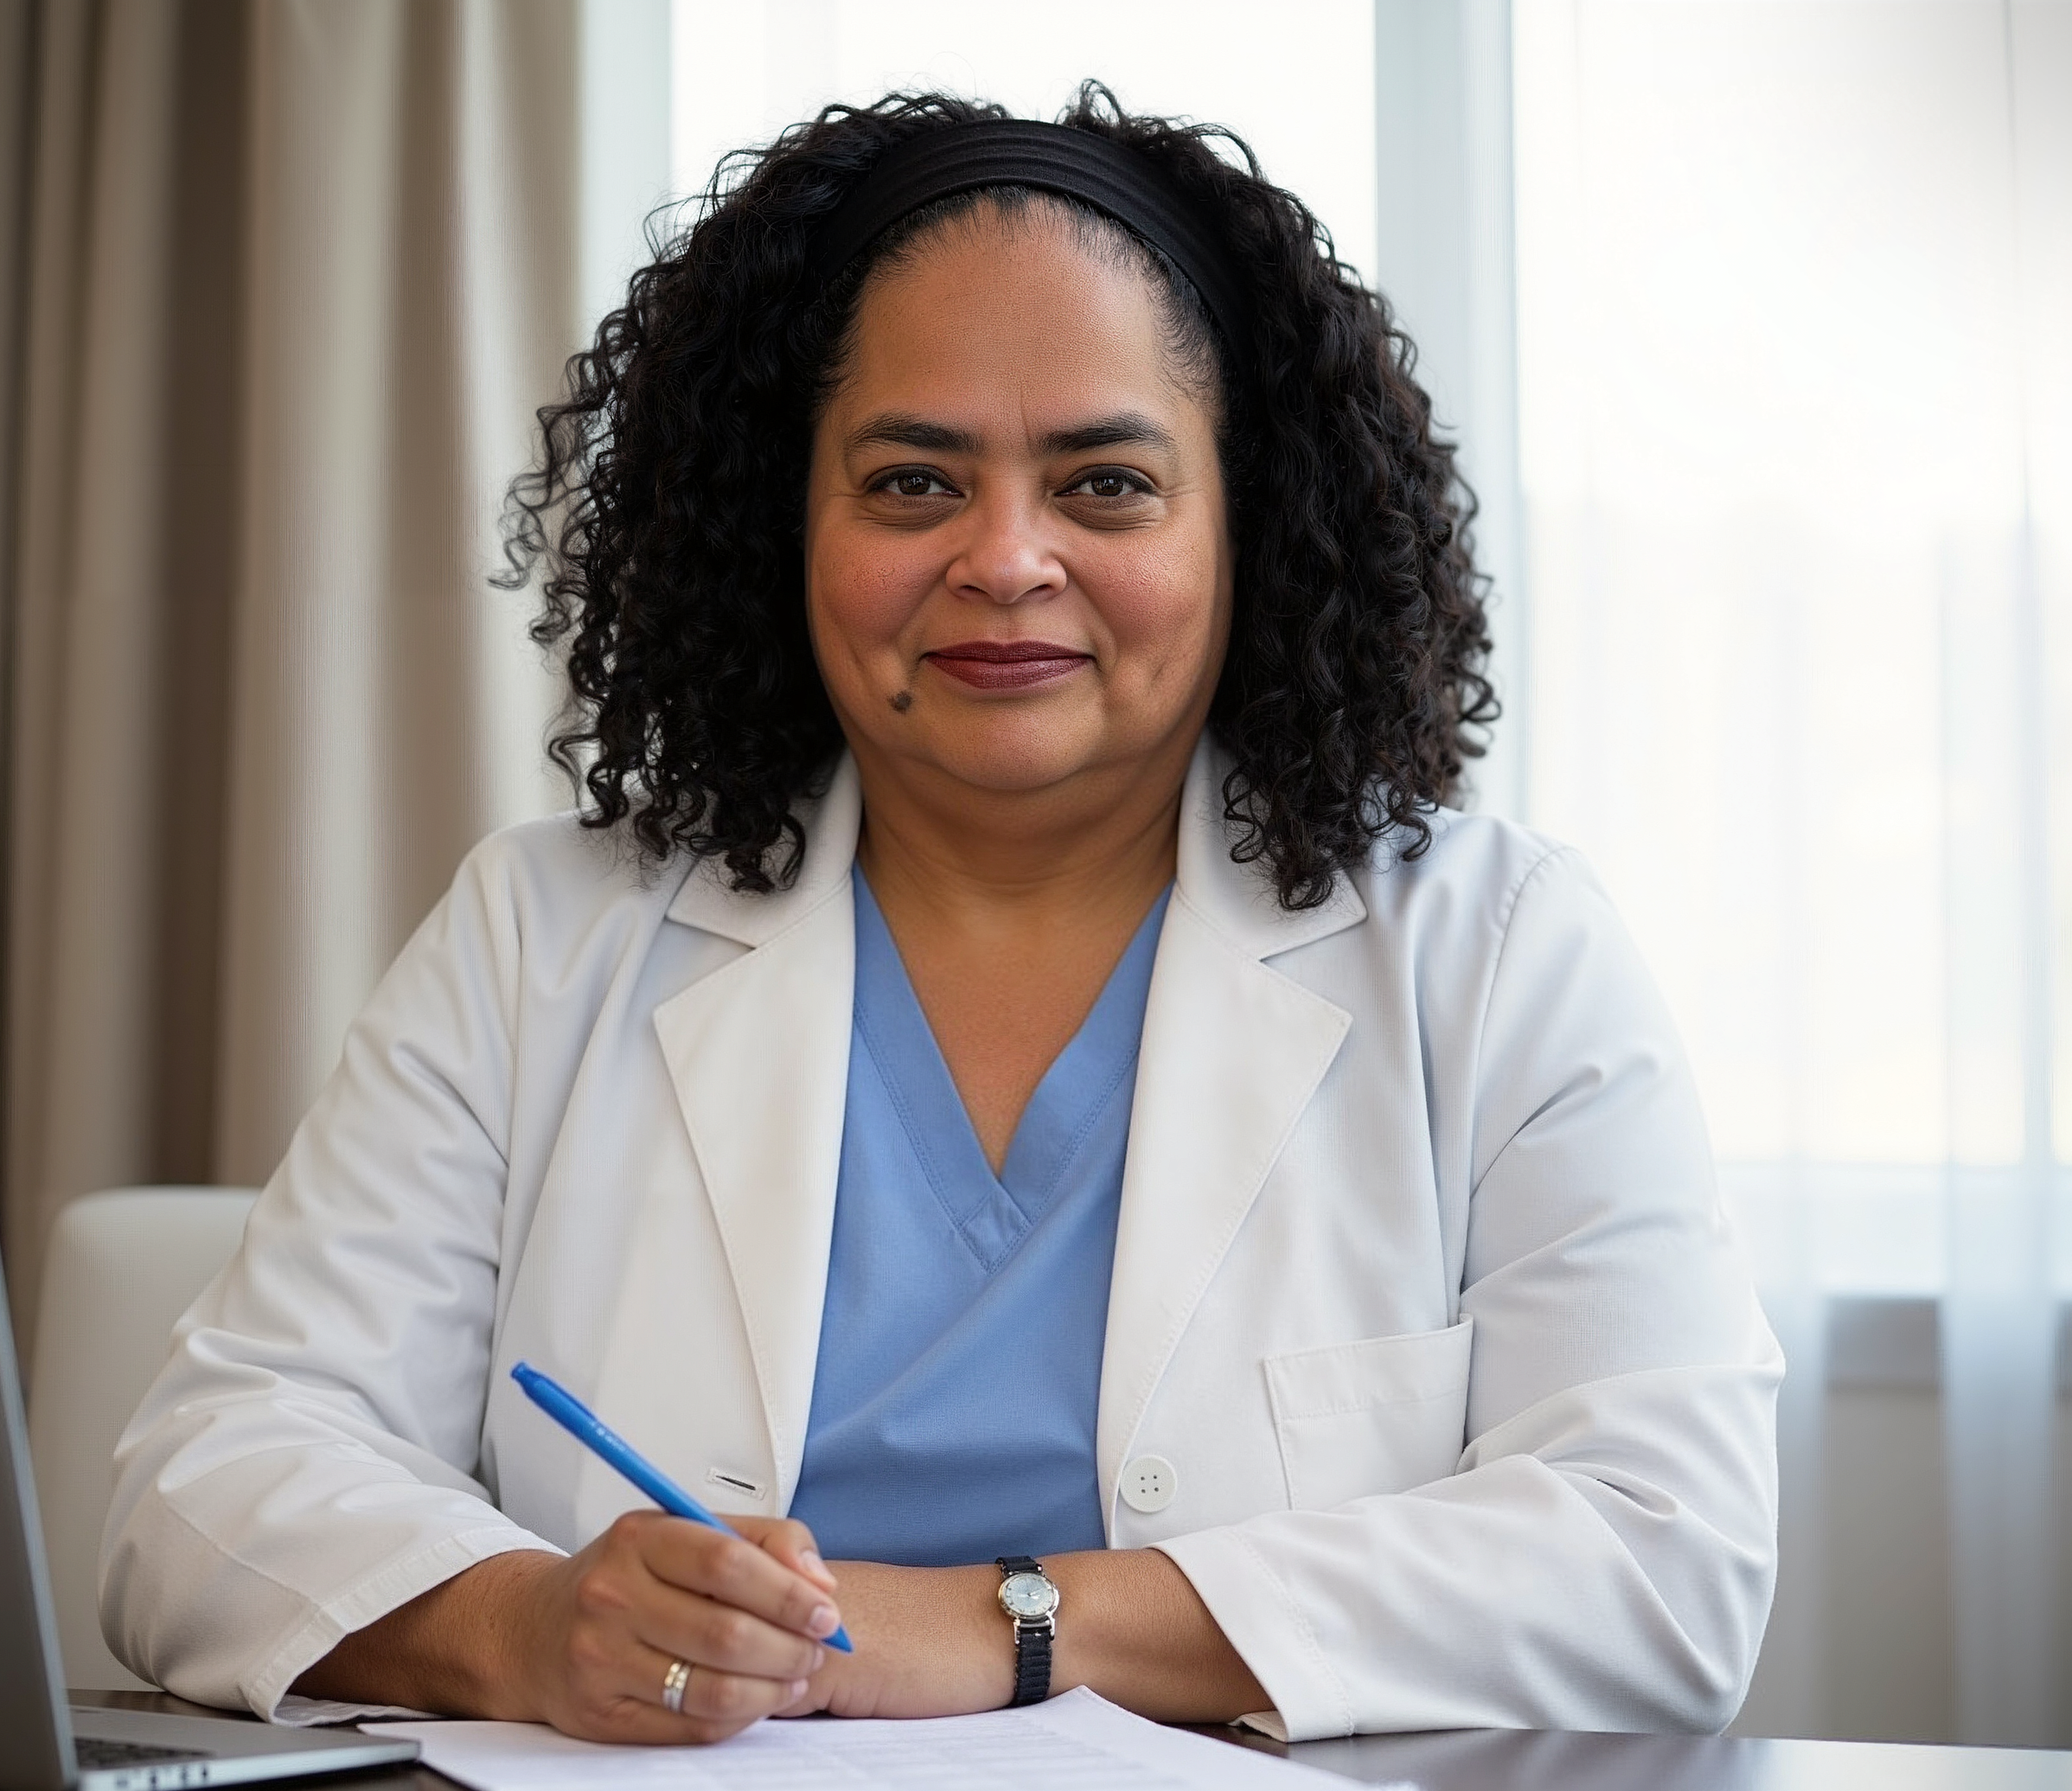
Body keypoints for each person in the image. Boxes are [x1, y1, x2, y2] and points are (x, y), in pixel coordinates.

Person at [103, 87, 1780, 1745]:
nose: (1003, 558)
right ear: (789, 525)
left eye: (1105, 485)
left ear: (1243, 528)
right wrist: (523, 1625)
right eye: (911, 483)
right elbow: (207, 1484)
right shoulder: (543, 935)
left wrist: (1004, 1629)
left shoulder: (1494, 954)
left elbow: (1661, 1550)